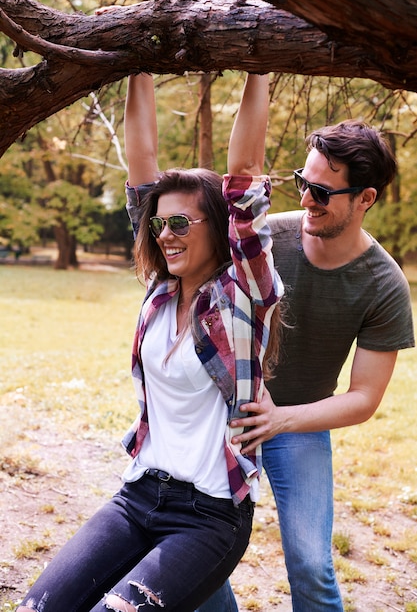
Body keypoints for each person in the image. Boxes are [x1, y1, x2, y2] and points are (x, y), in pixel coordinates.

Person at [16, 72, 283, 612]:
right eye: (160, 225)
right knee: (37, 607)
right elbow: (143, 164)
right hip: (138, 496)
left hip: (209, 515)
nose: (166, 235)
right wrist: (139, 61)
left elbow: (244, 174)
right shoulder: (160, 292)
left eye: (182, 222)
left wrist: (257, 68)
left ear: (220, 226)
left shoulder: (243, 295)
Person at [198, 119, 415, 612]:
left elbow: (363, 398)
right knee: (197, 549)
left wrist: (283, 420)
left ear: (366, 199)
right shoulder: (267, 240)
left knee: (312, 563)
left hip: (298, 424)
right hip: (225, 418)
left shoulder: (384, 284)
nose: (306, 199)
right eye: (302, 182)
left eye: (322, 192)